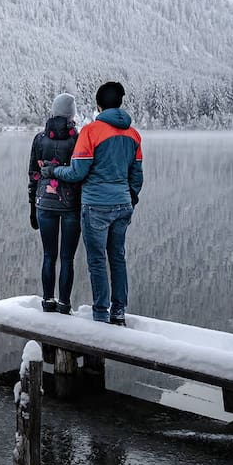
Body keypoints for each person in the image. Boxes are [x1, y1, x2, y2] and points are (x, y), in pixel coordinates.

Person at [41, 82, 142, 325]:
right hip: (123, 204)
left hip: (96, 205)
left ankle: (100, 314)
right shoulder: (133, 134)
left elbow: (77, 172)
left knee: (97, 261)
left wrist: (53, 171)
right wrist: (129, 197)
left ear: (98, 106)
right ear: (119, 103)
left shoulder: (91, 132)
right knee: (117, 258)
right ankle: (118, 312)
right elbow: (137, 176)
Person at [28, 93, 82, 314]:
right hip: (71, 205)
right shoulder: (78, 140)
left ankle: (48, 300)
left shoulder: (40, 139)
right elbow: (81, 174)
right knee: (67, 258)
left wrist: (32, 207)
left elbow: (33, 174)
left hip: (44, 203)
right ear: (71, 114)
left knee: (49, 256)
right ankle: (64, 304)